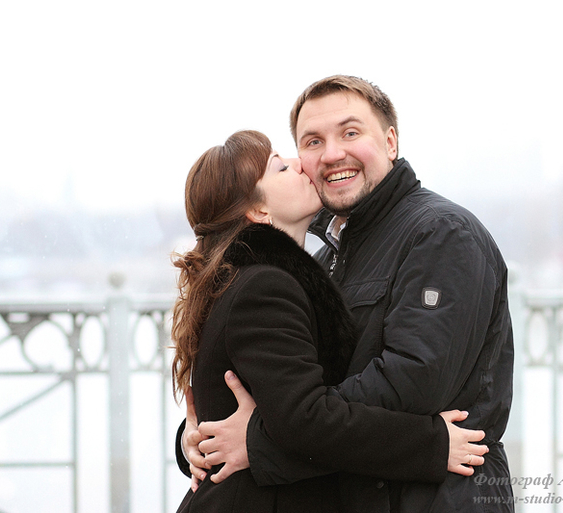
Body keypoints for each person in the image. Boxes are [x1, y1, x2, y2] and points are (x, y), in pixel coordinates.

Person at [183, 76, 515, 512]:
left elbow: (416, 383)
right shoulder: (318, 263)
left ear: (390, 142)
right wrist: (201, 436)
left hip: (434, 499)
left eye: (351, 133)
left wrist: (261, 441)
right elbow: (285, 387)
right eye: (313, 142)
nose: (332, 154)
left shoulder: (441, 234)